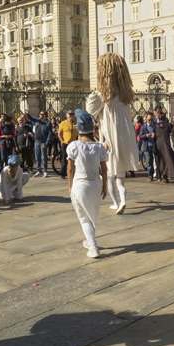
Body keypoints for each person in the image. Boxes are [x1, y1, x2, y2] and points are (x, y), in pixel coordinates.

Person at [85, 52, 141, 213]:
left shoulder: (102, 95)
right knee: (121, 179)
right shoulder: (124, 94)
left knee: (109, 175)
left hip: (109, 139)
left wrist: (91, 98)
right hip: (125, 138)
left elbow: (89, 112)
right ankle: (123, 200)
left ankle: (116, 203)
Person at [67, 108, 108, 258]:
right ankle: (89, 240)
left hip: (80, 184)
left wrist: (70, 186)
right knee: (92, 216)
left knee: (84, 218)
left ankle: (93, 246)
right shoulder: (99, 147)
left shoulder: (74, 146)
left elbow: (70, 168)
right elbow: (104, 169)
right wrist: (105, 187)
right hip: (96, 184)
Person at [31, 111, 53, 177]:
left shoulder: (48, 123)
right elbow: (32, 119)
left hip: (43, 143)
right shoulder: (38, 121)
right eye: (39, 114)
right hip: (36, 142)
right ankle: (38, 170)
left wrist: (46, 143)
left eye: (41, 114)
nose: (39, 115)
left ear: (44, 115)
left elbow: (50, 134)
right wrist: (27, 114)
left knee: (43, 157)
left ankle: (45, 171)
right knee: (37, 157)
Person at [139, 114, 157, 181]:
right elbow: (140, 136)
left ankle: (157, 174)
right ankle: (150, 176)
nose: (150, 121)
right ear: (146, 119)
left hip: (155, 145)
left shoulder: (155, 125)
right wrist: (146, 135)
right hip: (147, 146)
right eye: (149, 120)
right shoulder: (144, 126)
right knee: (149, 162)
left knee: (156, 161)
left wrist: (154, 135)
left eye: (151, 120)